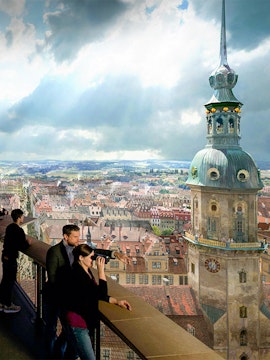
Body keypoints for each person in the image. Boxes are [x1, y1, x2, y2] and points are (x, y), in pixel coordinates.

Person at [45, 224, 130, 359]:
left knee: (69, 342)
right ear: (66, 237)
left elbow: (95, 253)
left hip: (74, 309)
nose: (78, 240)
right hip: (65, 304)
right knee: (55, 333)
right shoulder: (55, 252)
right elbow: (53, 279)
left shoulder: (81, 256)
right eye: (75, 237)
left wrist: (116, 254)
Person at [65, 244, 132, 360]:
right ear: (81, 258)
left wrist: (116, 301)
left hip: (79, 321)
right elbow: (100, 293)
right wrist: (101, 271)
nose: (94, 259)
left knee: (72, 354)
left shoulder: (83, 270)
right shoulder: (78, 275)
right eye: (91, 257)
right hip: (78, 322)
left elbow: (95, 294)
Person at [0, 209, 32, 313]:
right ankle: (8, 305)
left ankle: (2, 303)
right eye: (22, 216)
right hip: (11, 257)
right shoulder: (19, 230)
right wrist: (28, 243)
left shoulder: (9, 227)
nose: (23, 218)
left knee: (5, 280)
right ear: (19, 218)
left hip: (5, 256)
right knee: (10, 281)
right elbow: (21, 245)